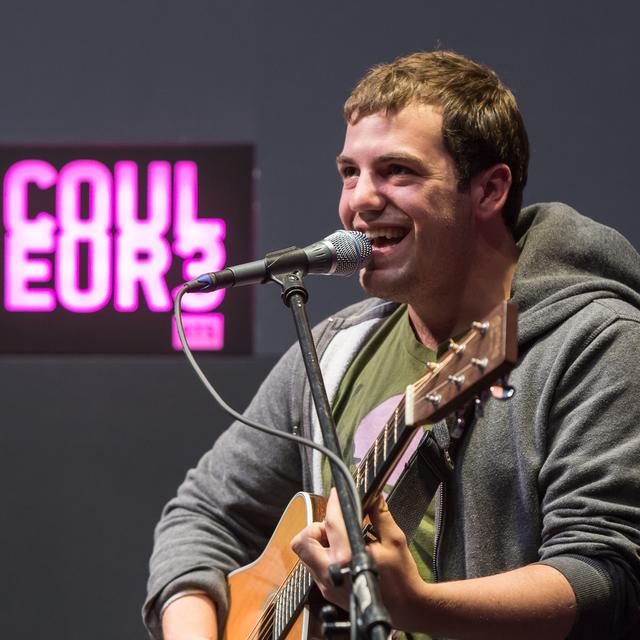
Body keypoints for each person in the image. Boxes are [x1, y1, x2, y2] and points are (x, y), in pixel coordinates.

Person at [144, 51, 640, 639]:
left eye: (397, 172)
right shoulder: (336, 349)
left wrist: (419, 605)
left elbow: (607, 576)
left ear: (489, 190)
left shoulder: (594, 342)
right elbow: (202, 514)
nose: (360, 201)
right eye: (349, 173)